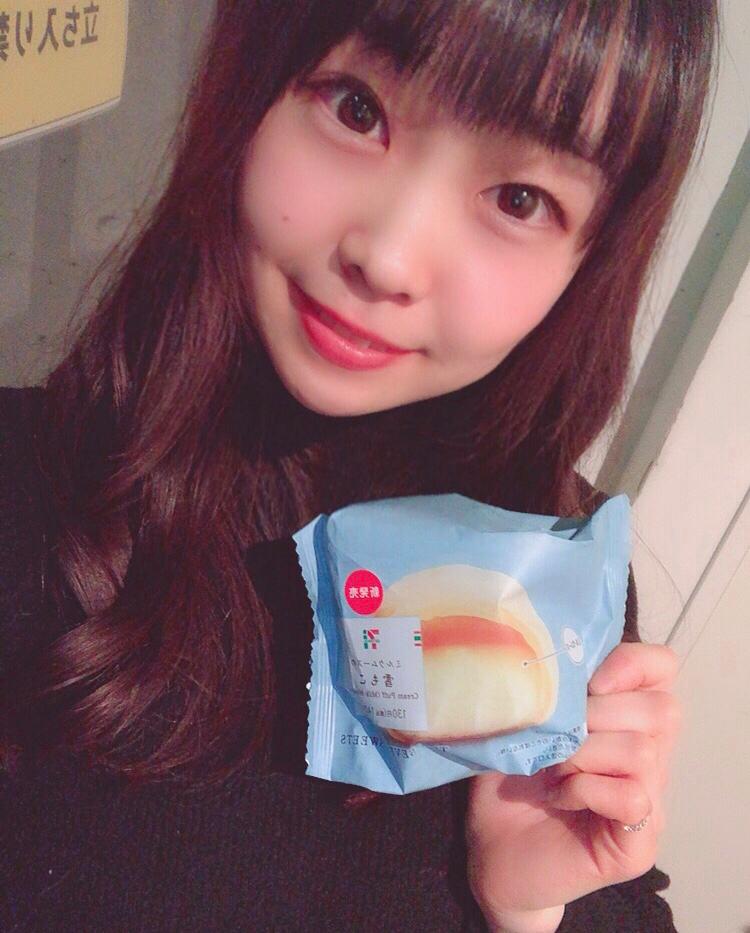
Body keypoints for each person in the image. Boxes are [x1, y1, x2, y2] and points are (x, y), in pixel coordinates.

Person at [0, 1, 719, 930]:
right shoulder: (26, 496)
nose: (388, 257)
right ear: (252, 87)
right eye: (356, 108)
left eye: (518, 199)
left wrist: (528, 909)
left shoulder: (551, 582)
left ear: (591, 261)